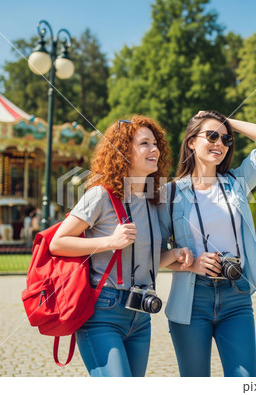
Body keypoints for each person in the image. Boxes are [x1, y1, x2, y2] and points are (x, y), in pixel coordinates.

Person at [49, 115, 191, 377]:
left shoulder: (152, 200)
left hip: (141, 315)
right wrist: (109, 242)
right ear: (123, 151)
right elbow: (58, 243)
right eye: (144, 143)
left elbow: (140, 261)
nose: (154, 149)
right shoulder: (100, 195)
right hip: (104, 313)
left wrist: (172, 255)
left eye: (156, 143)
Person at [158, 110, 256, 377]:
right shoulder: (169, 194)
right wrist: (190, 265)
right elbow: (155, 255)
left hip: (236, 296)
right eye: (211, 136)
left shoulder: (238, 183)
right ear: (191, 141)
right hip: (192, 300)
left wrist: (225, 121)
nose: (220, 144)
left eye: (226, 140)